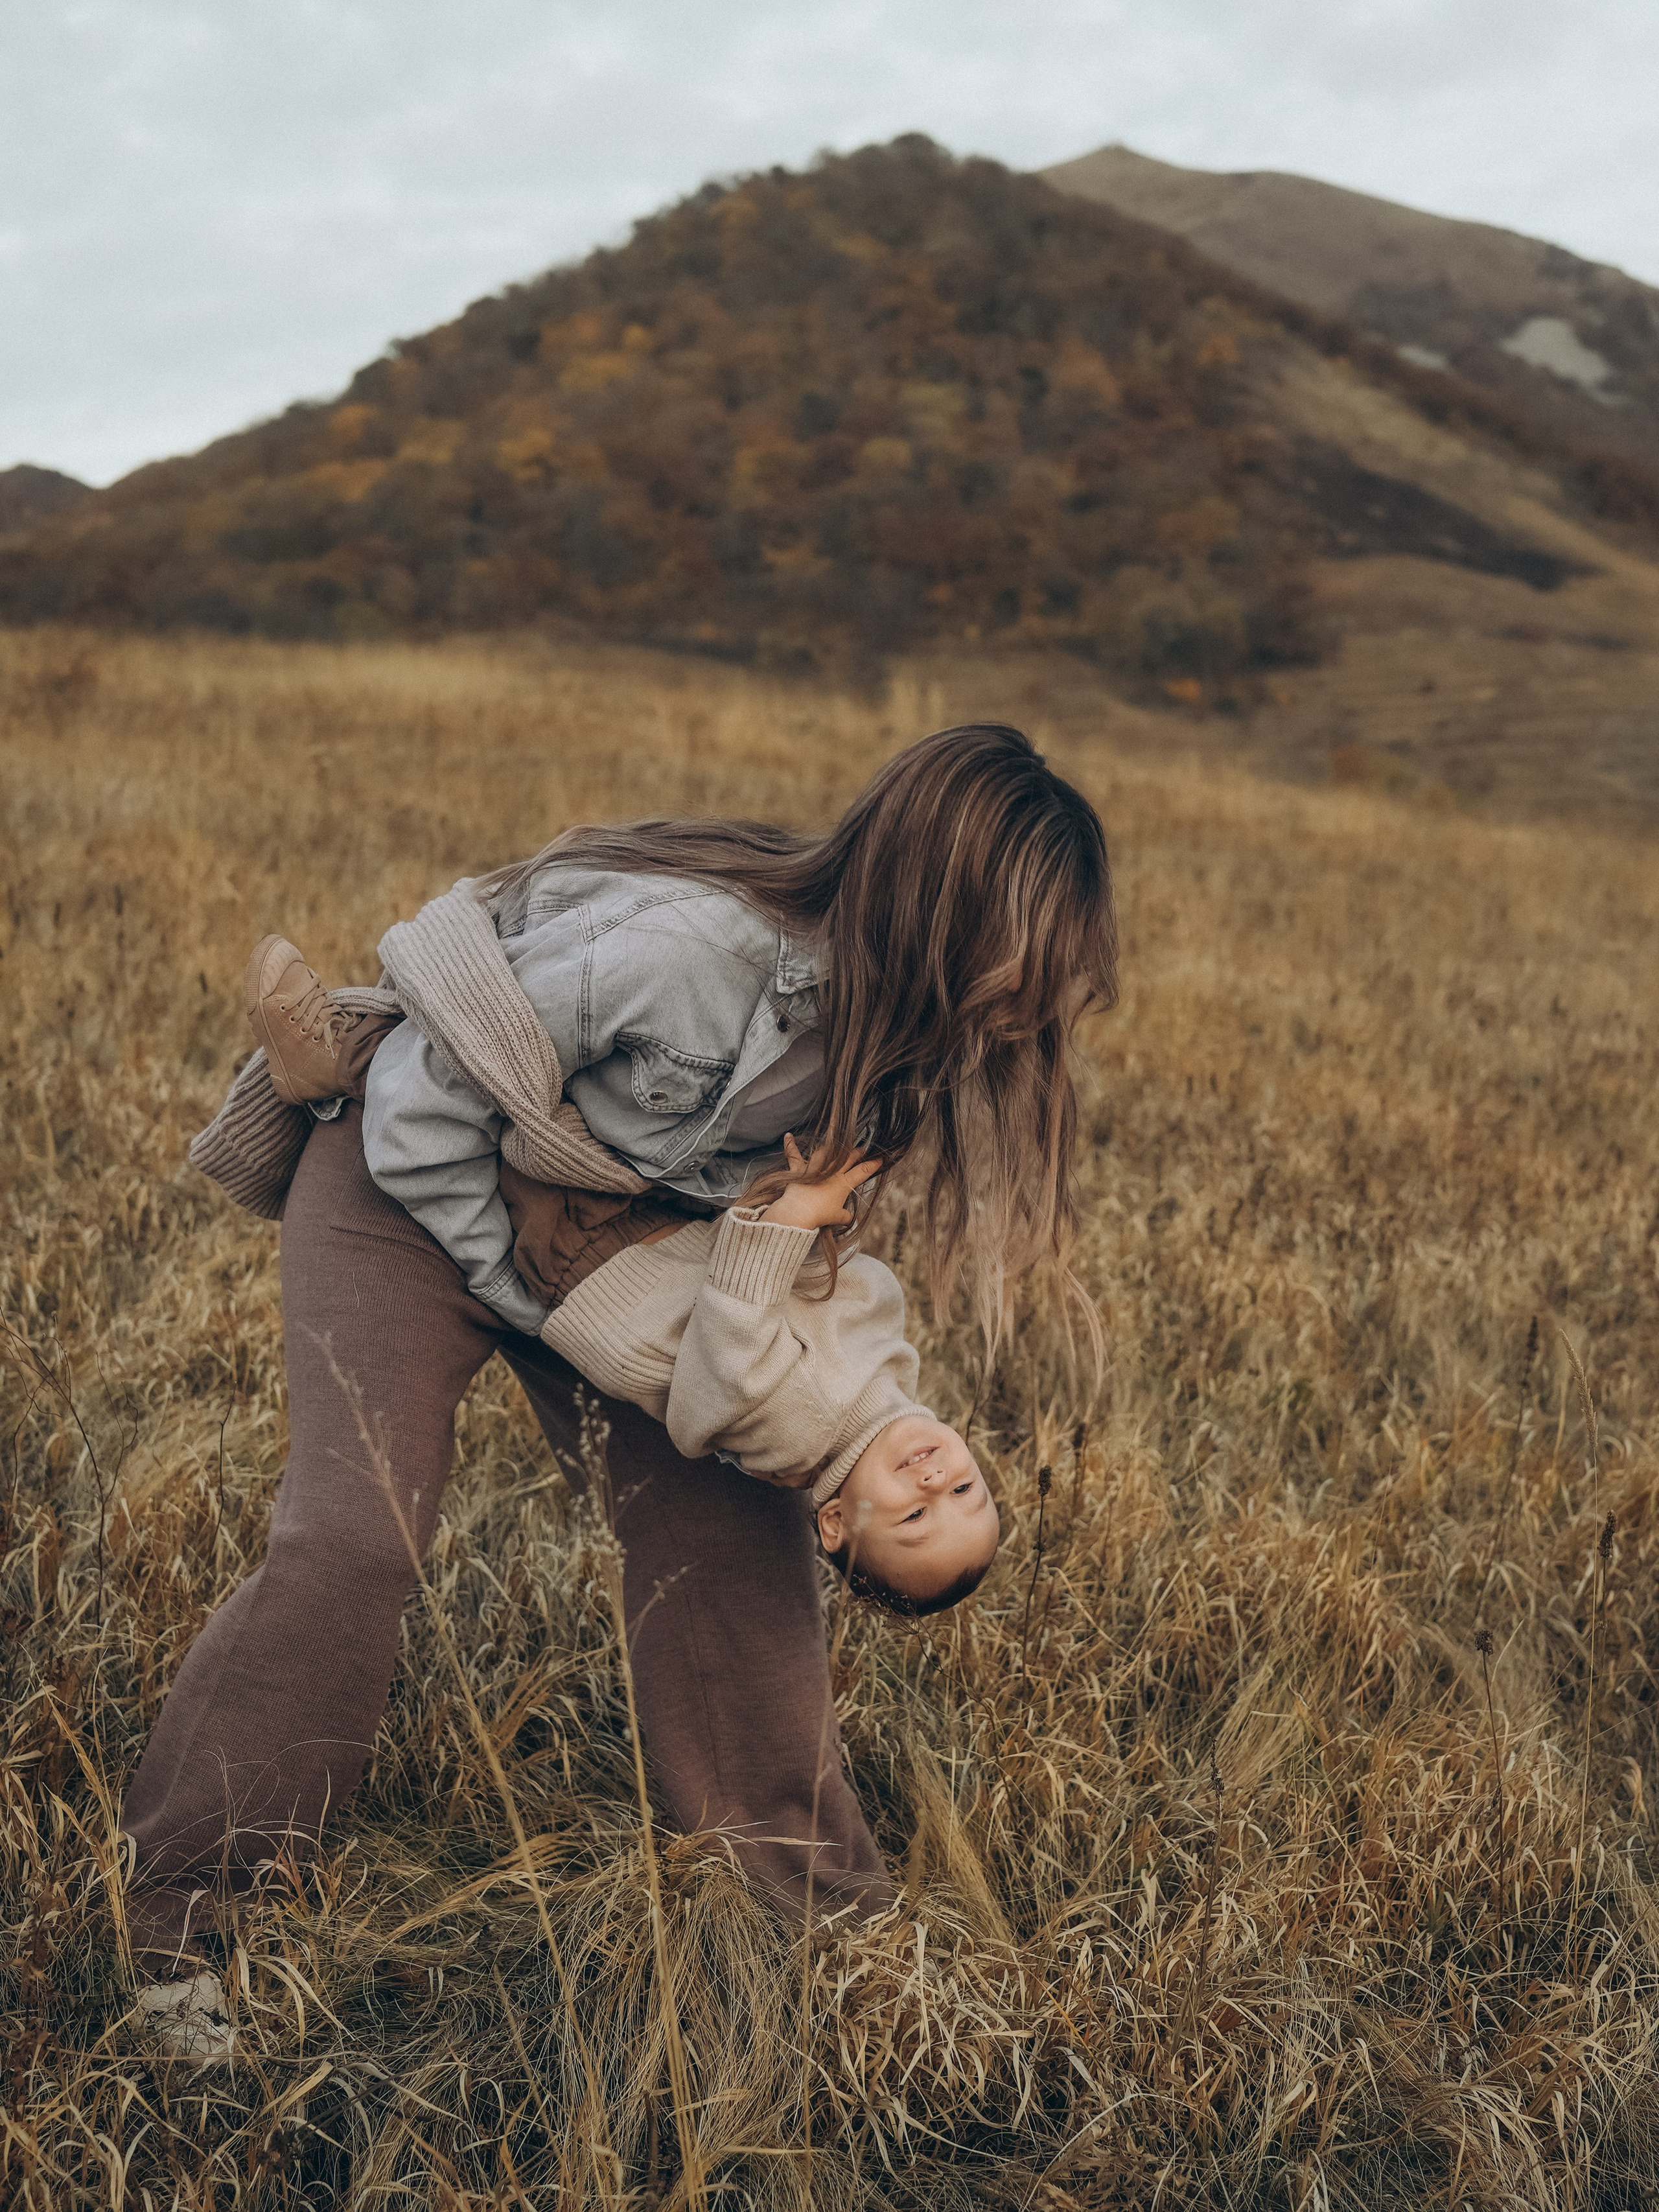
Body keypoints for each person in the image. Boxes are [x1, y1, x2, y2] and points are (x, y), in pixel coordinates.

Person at [122, 723, 1118, 2062]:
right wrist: (548, 1289)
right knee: (354, 1537)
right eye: (1026, 966)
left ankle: (818, 1921)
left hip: (613, 1258)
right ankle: (188, 1922)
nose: (1031, 1009)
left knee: (744, 1539)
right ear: (945, 904)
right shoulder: (696, 953)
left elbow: (780, 1278)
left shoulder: (901, 1046)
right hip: (406, 1185)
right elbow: (424, 1096)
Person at [244, 929, 1001, 1612]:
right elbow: (815, 1286)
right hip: (664, 1236)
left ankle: (349, 1053)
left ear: (833, 1522)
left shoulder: (799, 1436)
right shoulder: (884, 1382)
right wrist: (811, 1197)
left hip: (595, 1262)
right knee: (575, 1104)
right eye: (965, 1489)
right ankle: (478, 982)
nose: (935, 1484)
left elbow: (728, 1344)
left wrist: (794, 1218)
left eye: (911, 1515)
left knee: (505, 1117)